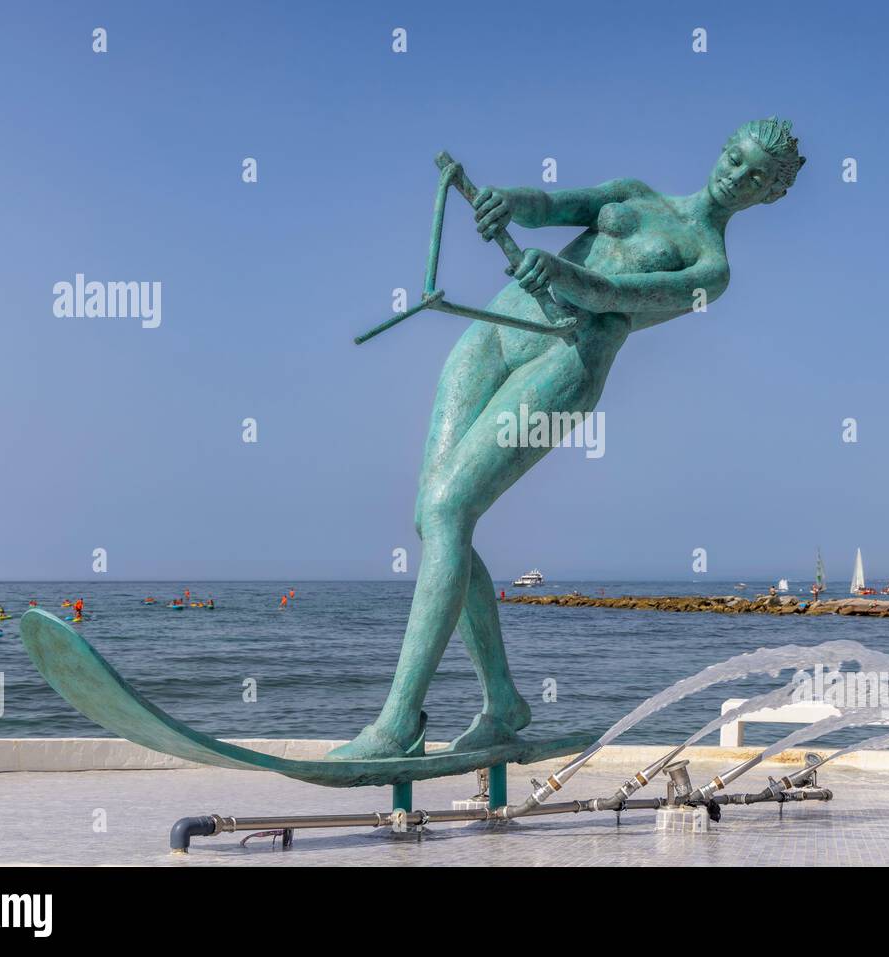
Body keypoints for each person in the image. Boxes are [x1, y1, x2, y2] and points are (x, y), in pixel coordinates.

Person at [332, 119, 806, 759]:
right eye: (736, 158)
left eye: (756, 178)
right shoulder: (637, 192)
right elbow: (555, 206)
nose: (737, 176)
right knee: (435, 519)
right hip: (495, 331)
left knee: (448, 510)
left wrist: (560, 273)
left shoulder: (710, 269)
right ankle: (502, 702)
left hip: (567, 362)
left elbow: (615, 296)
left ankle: (396, 725)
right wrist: (508, 201)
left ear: (769, 197)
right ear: (722, 148)